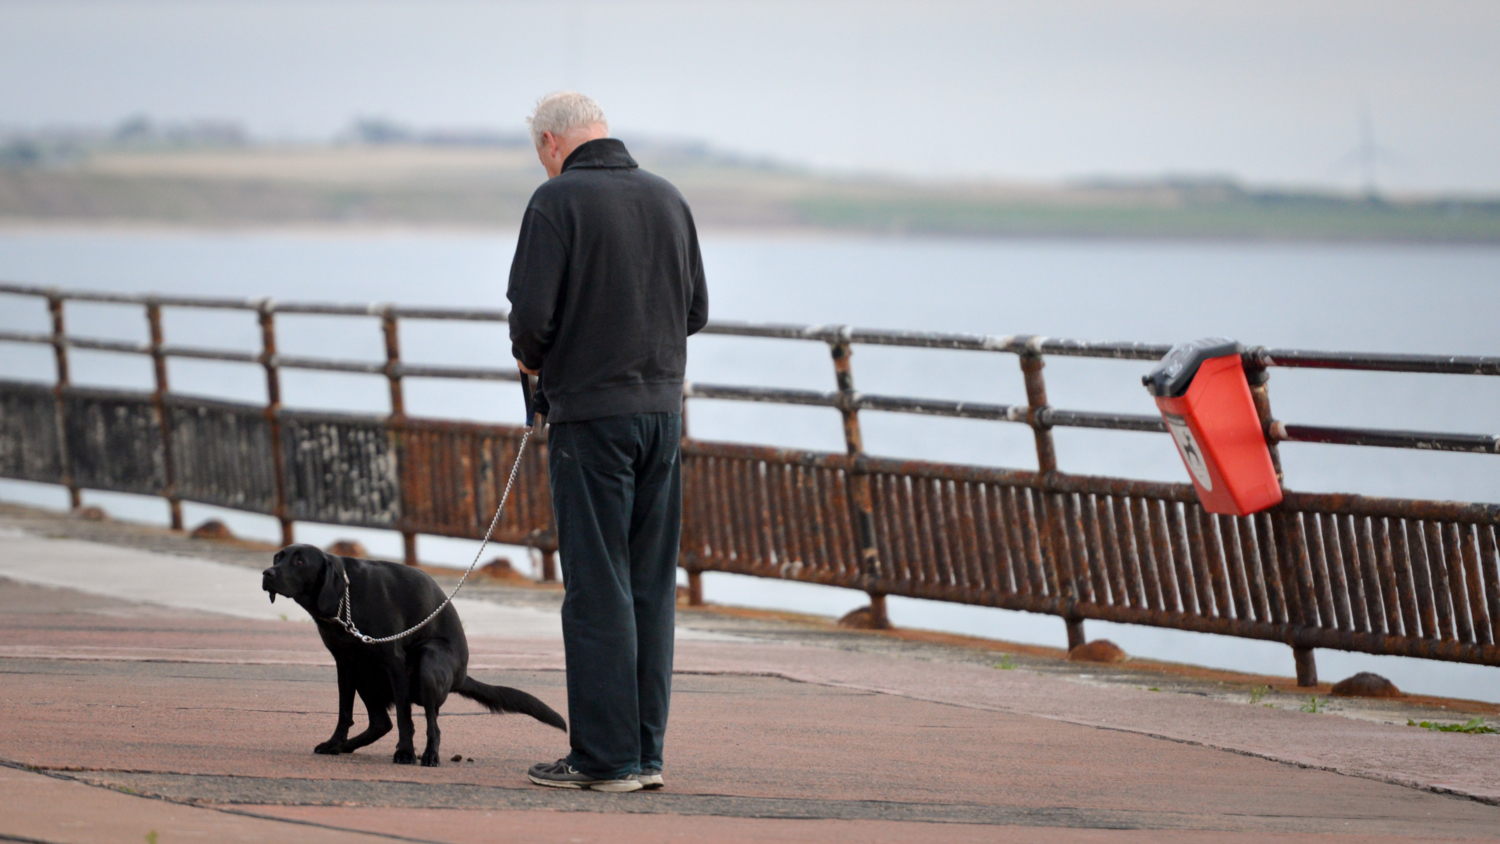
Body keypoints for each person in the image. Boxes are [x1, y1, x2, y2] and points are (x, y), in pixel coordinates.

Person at [507, 91, 708, 793]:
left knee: (597, 588)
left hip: (591, 419)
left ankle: (603, 758)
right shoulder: (668, 197)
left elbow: (531, 318)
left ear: (550, 143)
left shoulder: (554, 203)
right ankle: (645, 753)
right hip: (660, 414)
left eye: (540, 152)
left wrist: (535, 360)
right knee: (649, 585)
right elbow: (697, 311)